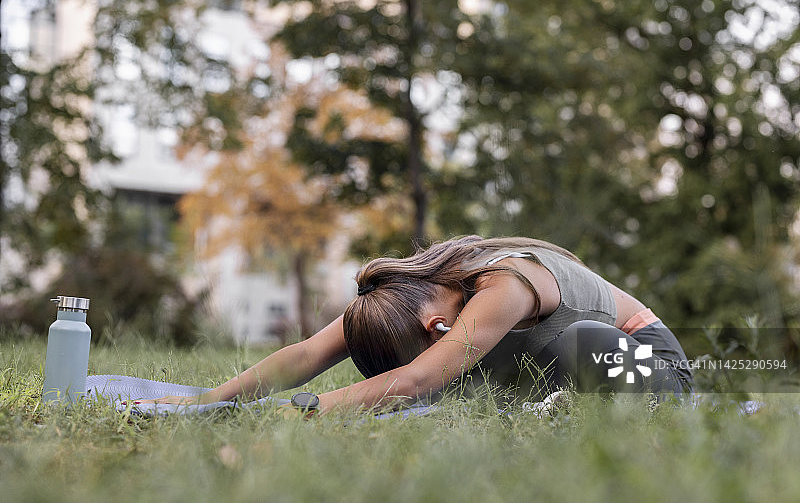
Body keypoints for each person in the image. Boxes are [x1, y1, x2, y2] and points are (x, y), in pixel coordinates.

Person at [142, 236, 693, 414]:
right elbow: (308, 354)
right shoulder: (396, 299)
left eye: (421, 351)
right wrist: (211, 400)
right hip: (560, 390)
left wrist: (297, 411)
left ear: (435, 329)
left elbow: (415, 381)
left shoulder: (504, 284)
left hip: (655, 374)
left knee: (582, 343)